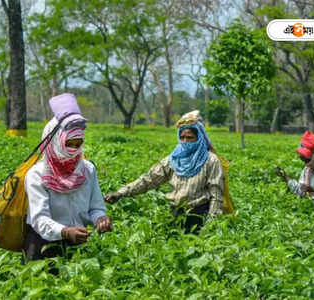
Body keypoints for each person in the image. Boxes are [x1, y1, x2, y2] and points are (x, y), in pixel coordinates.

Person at [23, 93, 112, 262]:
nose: (74, 150)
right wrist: (64, 231)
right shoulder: (37, 174)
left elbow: (95, 207)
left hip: (77, 244)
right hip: (43, 247)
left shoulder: (87, 169)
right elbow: (39, 219)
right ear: (55, 141)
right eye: (69, 144)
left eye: (78, 144)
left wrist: (100, 219)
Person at [105, 110, 224, 233]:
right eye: (182, 137)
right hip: (174, 214)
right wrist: (121, 193)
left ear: (199, 138)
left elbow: (216, 195)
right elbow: (148, 179)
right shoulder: (173, 160)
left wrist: (210, 225)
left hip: (199, 216)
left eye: (190, 138)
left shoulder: (211, 161)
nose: (185, 142)